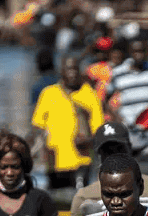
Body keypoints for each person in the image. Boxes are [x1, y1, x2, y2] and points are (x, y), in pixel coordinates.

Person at [30, 54, 104, 190]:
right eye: (68, 69)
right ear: (61, 72)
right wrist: (40, 149)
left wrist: (88, 140)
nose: (72, 73)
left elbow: (99, 131)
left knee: (78, 197)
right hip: (54, 162)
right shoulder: (48, 93)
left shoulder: (90, 95)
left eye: (75, 69)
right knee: (56, 201)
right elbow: (37, 126)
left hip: (81, 161)